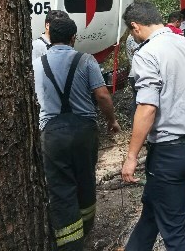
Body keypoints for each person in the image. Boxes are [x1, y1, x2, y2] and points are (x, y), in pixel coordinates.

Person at [120, 1, 185, 251]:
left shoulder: (146, 54)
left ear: (135, 27)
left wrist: (131, 156)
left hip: (170, 153)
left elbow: (147, 107)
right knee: (155, 205)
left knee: (176, 231)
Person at [33, 16, 121, 250]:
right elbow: (102, 95)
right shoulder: (86, 61)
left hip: (52, 134)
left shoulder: (37, 63)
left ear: (49, 35)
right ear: (74, 38)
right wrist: (112, 121)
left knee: (60, 188)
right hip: (84, 131)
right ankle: (87, 228)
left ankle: (70, 244)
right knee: (85, 179)